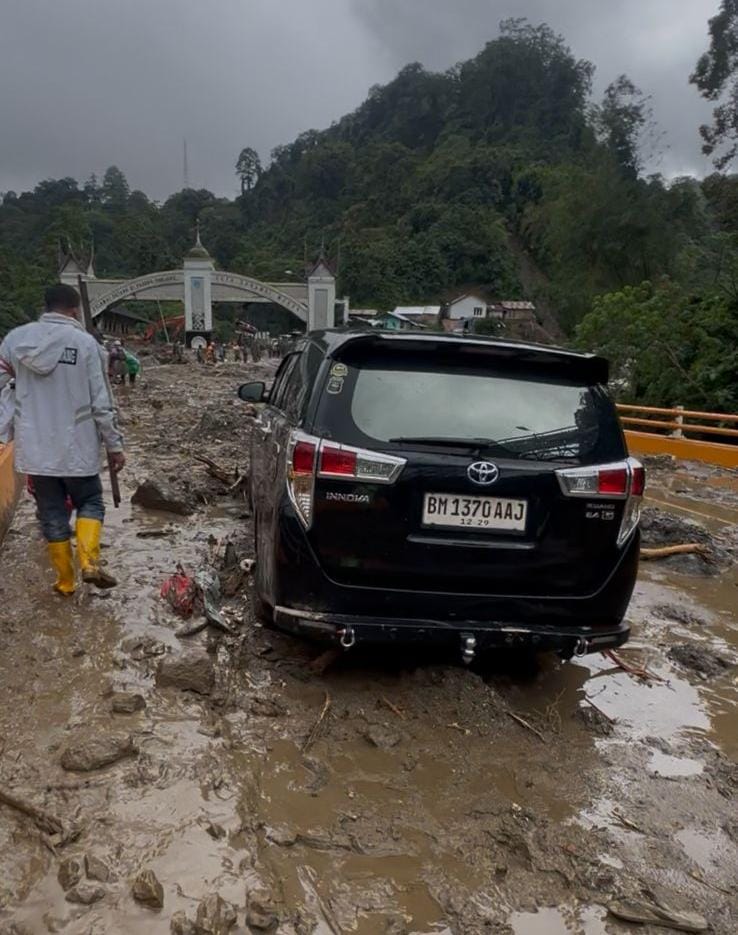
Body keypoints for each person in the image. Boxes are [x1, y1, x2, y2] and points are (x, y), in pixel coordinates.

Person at [0, 284, 125, 594]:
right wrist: (114, 445)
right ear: (75, 310)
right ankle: (89, 563)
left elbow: (3, 391)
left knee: (52, 511)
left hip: (35, 450)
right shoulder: (86, 345)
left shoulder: (16, 340)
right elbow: (101, 402)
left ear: (46, 306)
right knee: (91, 501)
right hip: (78, 447)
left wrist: (5, 433)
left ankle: (66, 582)